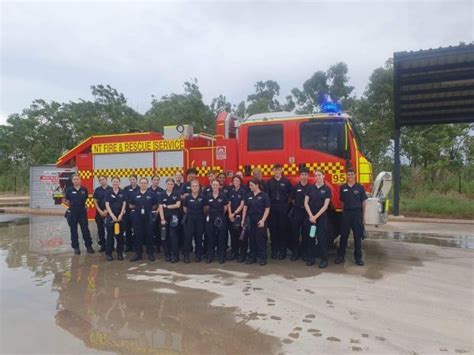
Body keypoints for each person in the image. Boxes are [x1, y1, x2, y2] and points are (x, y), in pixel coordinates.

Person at [336, 169, 368, 266]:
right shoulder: (342, 187)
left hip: (357, 214)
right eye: (348, 174)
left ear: (355, 175)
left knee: (357, 237)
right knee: (344, 236)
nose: (350, 176)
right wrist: (344, 212)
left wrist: (363, 217)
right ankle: (341, 256)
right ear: (346, 176)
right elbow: (342, 201)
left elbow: (364, 202)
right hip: (346, 214)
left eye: (352, 174)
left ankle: (358, 258)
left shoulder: (360, 187)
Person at [304, 170, 331, 268]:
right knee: (311, 238)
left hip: (321, 219)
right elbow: (306, 203)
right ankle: (311, 258)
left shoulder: (327, 189)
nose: (317, 177)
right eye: (316, 175)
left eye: (319, 175)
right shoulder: (310, 188)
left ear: (323, 176)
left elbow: (325, 206)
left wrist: (315, 217)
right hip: (311, 219)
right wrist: (311, 216)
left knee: (321, 239)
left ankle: (324, 260)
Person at [241, 179, 270, 266]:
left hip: (260, 219)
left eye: (251, 185)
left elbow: (267, 209)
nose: (250, 187)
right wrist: (243, 220)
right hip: (250, 219)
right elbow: (245, 208)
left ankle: (262, 258)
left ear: (257, 185)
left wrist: (263, 220)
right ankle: (252, 257)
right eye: (249, 185)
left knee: (260, 239)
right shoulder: (248, 195)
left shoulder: (264, 195)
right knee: (252, 239)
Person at [129, 177, 158, 262]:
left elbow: (155, 205)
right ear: (139, 183)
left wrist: (148, 209)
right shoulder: (135, 194)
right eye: (142, 183)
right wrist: (138, 208)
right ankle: (138, 254)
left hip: (148, 217)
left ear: (147, 184)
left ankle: (150, 253)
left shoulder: (151, 194)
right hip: (137, 218)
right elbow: (130, 205)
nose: (143, 184)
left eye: (145, 183)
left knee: (149, 235)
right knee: (138, 236)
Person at [64, 174, 94, 255]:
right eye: (74, 179)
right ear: (72, 181)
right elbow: (66, 201)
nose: (76, 180)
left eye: (77, 179)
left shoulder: (84, 189)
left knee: (85, 230)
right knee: (73, 230)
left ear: (80, 180)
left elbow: (86, 200)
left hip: (82, 213)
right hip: (73, 213)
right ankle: (76, 247)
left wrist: (86, 207)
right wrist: (71, 207)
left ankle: (89, 246)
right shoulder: (69, 190)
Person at [267, 164, 292, 259]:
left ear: (281, 171)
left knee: (283, 230)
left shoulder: (286, 181)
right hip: (273, 207)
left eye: (278, 170)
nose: (277, 172)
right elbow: (267, 195)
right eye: (275, 170)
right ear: (273, 171)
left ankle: (282, 252)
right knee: (273, 230)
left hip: (283, 207)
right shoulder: (269, 182)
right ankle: (274, 251)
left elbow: (290, 195)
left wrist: (286, 205)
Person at [204, 180, 228, 264]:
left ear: (219, 186)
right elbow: (206, 208)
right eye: (213, 185)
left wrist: (219, 215)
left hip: (220, 217)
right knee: (211, 237)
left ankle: (221, 256)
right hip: (210, 218)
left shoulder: (223, 196)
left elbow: (225, 208)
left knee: (221, 238)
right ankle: (210, 256)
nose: (215, 186)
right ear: (211, 185)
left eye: (216, 185)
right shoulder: (208, 196)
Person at [158, 178, 182, 263]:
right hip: (164, 218)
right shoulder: (162, 194)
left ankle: (175, 256)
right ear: (166, 184)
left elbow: (178, 205)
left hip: (174, 218)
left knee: (173, 237)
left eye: (171, 184)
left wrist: (167, 206)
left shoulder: (177, 193)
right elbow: (160, 207)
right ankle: (167, 255)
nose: (170, 185)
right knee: (164, 237)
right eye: (168, 184)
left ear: (174, 185)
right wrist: (162, 219)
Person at [289, 167, 310, 261]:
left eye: (305, 174)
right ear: (299, 176)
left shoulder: (311, 188)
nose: (304, 176)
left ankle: (305, 253)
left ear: (308, 176)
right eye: (302, 174)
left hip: (307, 212)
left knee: (306, 233)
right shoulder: (296, 187)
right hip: (297, 212)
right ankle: (295, 253)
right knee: (295, 233)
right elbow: (292, 199)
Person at [182, 180, 206, 263]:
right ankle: (186, 256)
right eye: (193, 186)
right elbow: (185, 209)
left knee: (198, 237)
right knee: (188, 238)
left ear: (199, 188)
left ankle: (198, 256)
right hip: (190, 220)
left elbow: (205, 209)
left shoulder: (202, 197)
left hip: (200, 219)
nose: (195, 187)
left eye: (196, 186)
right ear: (191, 188)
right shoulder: (187, 197)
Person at [104, 176, 126, 261]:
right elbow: (107, 204)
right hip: (111, 216)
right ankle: (108, 254)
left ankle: (120, 253)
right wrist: (112, 215)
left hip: (120, 217)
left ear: (119, 183)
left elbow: (124, 204)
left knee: (120, 236)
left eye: (117, 182)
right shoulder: (108, 192)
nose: (115, 183)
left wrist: (120, 214)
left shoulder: (122, 192)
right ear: (111, 182)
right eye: (114, 182)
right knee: (110, 236)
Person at [227, 176, 247, 261]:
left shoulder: (243, 191)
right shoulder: (231, 191)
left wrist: (234, 213)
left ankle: (241, 254)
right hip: (231, 216)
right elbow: (229, 203)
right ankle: (234, 252)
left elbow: (242, 204)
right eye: (234, 180)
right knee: (233, 235)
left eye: (237, 180)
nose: (235, 182)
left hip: (239, 216)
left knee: (240, 236)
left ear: (240, 182)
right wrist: (230, 214)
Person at [92, 176, 112, 252]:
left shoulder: (111, 189)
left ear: (106, 180)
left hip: (109, 213)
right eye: (100, 180)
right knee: (100, 229)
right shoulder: (97, 190)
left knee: (110, 230)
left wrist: (107, 210)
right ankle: (103, 245)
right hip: (99, 213)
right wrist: (100, 211)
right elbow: (95, 201)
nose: (102, 181)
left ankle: (110, 245)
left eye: (103, 179)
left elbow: (113, 201)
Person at [148, 175, 165, 252]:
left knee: (158, 230)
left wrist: (157, 210)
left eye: (157, 180)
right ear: (152, 181)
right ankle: (151, 247)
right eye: (154, 180)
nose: (156, 181)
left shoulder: (161, 191)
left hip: (158, 214)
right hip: (149, 214)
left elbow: (161, 203)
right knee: (150, 230)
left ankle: (158, 246)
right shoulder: (148, 190)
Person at [123, 175, 139, 252]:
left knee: (136, 229)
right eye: (131, 180)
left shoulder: (139, 188)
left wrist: (134, 206)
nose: (132, 181)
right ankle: (128, 246)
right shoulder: (126, 189)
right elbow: (124, 200)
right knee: (127, 229)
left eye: (134, 179)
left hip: (137, 212)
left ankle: (136, 246)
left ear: (136, 180)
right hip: (127, 212)